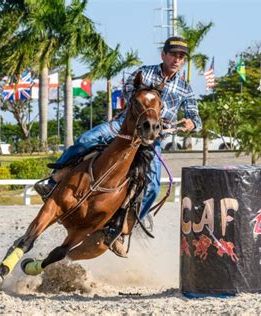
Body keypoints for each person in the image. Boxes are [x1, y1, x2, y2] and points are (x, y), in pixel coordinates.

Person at [34, 36, 202, 256]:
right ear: (164, 55)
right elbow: (126, 93)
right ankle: (53, 180)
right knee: (86, 140)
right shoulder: (145, 73)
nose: (177, 59)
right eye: (173, 54)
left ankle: (120, 230)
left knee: (152, 186)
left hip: (152, 140)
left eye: (181, 57)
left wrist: (191, 123)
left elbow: (195, 119)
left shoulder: (185, 88)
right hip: (123, 129)